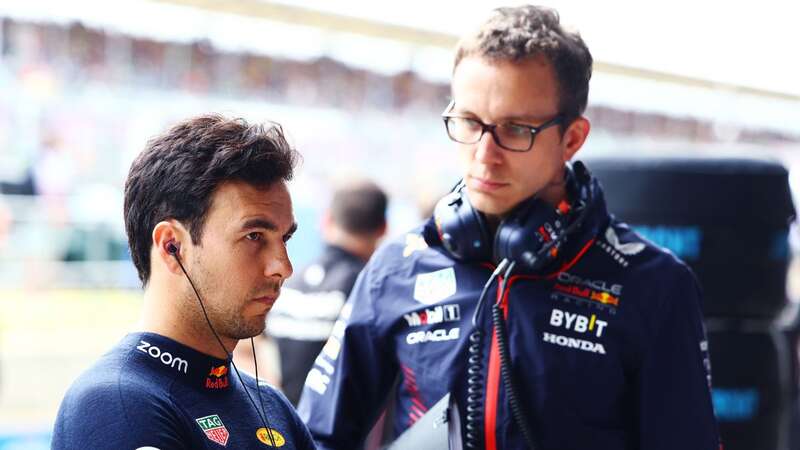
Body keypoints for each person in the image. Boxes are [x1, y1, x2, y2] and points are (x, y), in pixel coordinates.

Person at [298, 5, 720, 450]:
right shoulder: (397, 268)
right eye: (468, 122)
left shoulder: (654, 286)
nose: (484, 154)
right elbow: (319, 437)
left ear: (572, 139)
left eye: (516, 130)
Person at [52, 115, 315, 449]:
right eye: (254, 236)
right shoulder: (116, 403)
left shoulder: (273, 407)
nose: (283, 267)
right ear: (172, 247)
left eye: (285, 240)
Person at [267, 180, 388, 406]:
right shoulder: (373, 287)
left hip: (286, 419)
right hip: (342, 431)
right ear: (383, 228)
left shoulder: (287, 281)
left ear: (326, 221)